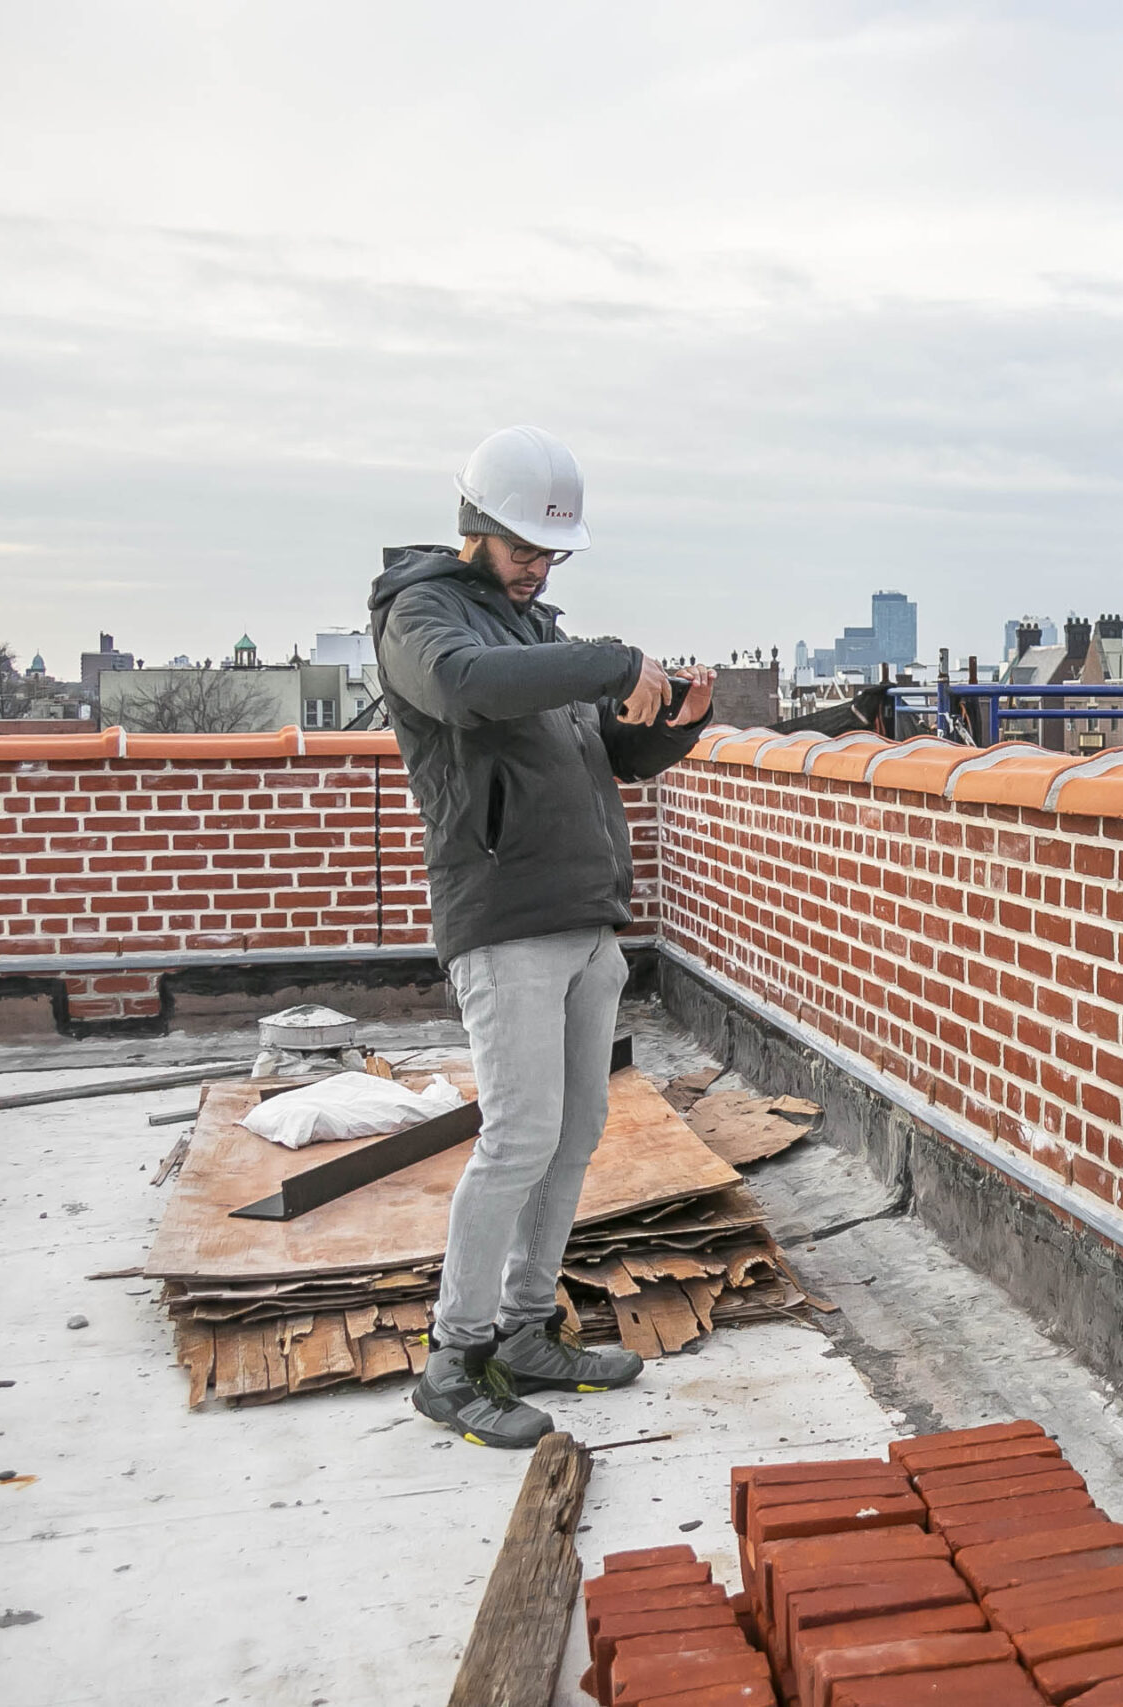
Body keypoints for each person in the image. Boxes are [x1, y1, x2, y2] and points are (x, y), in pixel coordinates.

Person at [368, 424, 715, 1448]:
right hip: (504, 917)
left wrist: (674, 721)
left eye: (551, 554)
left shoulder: (533, 625)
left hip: (583, 916)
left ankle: (525, 1332)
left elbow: (611, 752)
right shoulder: (421, 614)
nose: (538, 569)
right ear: (475, 529)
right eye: (525, 550)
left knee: (571, 1137)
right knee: (517, 1137)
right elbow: (467, 691)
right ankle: (453, 1360)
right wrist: (608, 660)